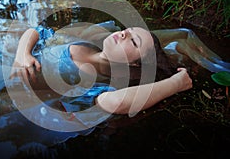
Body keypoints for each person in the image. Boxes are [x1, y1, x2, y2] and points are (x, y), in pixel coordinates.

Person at [10, 21, 193, 115]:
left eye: (133, 41)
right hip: (11, 58)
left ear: (134, 64)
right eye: (128, 30)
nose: (123, 33)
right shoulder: (87, 43)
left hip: (14, 87)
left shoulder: (99, 81)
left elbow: (116, 103)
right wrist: (22, 55)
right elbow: (37, 30)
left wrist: (175, 84)